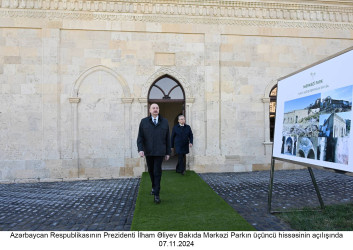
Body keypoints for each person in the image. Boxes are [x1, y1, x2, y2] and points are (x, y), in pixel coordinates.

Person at [137, 103, 171, 204]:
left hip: (160, 152)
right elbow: (140, 137)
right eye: (153, 108)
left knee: (157, 172)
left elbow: (167, 138)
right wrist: (140, 149)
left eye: (157, 108)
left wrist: (168, 152)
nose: (155, 109)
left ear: (159, 110)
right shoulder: (144, 122)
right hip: (148, 151)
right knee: (151, 171)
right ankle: (153, 186)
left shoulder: (164, 122)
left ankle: (157, 194)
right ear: (150, 110)